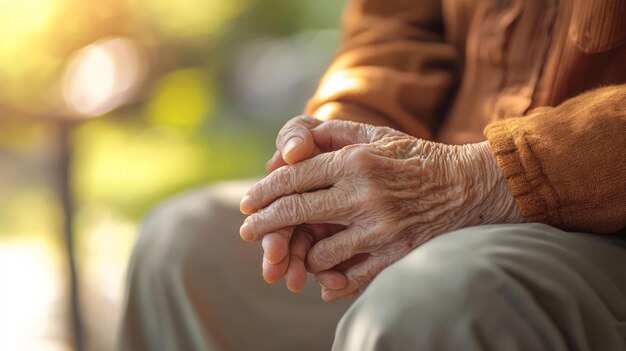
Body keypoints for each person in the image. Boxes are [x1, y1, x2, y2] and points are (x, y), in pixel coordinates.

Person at [118, 0, 626, 350]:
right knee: (184, 246)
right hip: (446, 183)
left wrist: (503, 174)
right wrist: (336, 148)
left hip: (602, 224)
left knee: (438, 299)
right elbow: (394, 28)